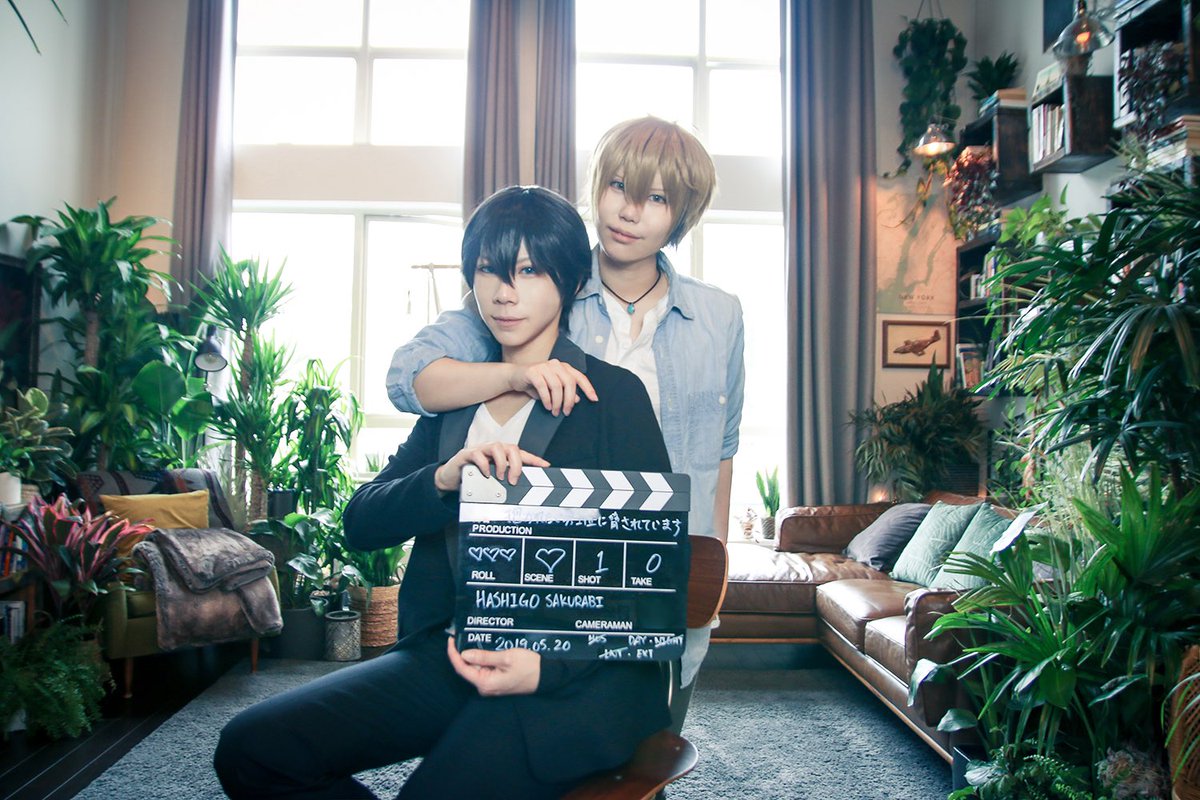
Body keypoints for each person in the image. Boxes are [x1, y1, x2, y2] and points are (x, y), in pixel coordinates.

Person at [213, 186, 672, 800]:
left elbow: (653, 583)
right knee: (250, 749)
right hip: (448, 654)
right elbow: (360, 523)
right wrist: (443, 479)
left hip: (577, 675)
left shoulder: (612, 396)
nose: (504, 292)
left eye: (529, 271)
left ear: (569, 280)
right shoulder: (456, 402)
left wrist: (546, 665)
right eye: (488, 269)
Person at [384, 116, 745, 731]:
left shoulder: (720, 316)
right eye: (618, 186)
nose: (629, 211)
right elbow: (408, 377)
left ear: (682, 214)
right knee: (527, 750)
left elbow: (722, 450)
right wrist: (516, 375)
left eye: (656, 198)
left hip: (651, 582)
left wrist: (708, 569)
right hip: (547, 589)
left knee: (648, 741)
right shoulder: (537, 283)